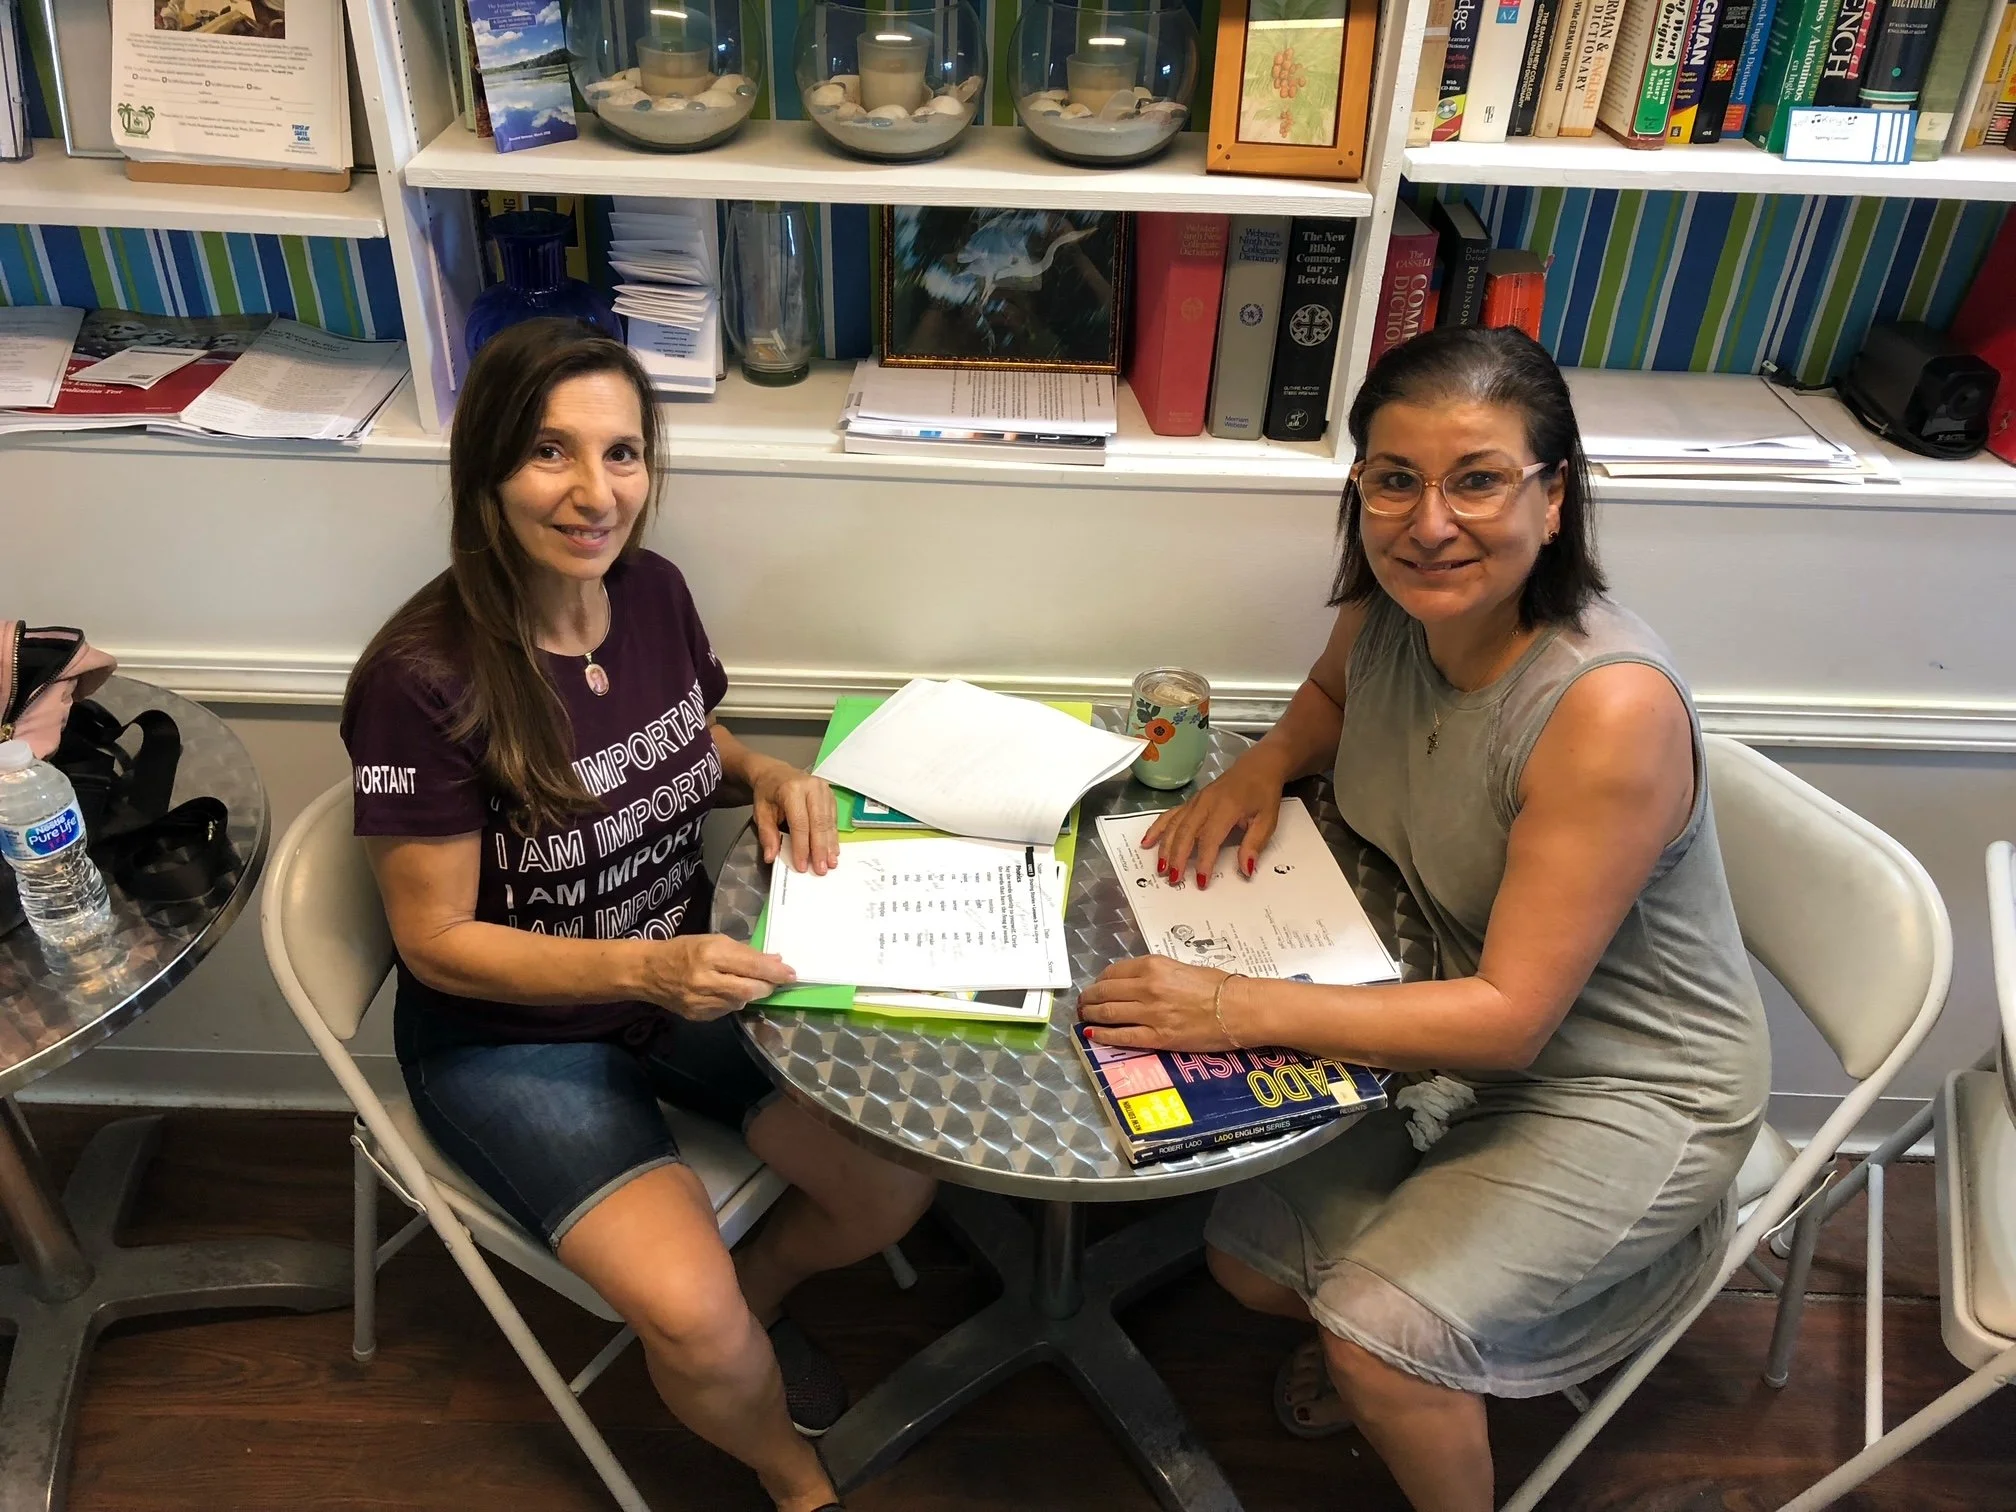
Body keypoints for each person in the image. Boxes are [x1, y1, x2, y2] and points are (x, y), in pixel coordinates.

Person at [1076, 326, 1770, 1512]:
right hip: (1432, 1009)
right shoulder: (1399, 603)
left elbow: (1511, 1024)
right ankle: (1417, 1357)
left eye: (1479, 479)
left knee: (1369, 1324)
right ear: (1360, 489)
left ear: (1555, 499)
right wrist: (1259, 771)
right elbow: (1333, 696)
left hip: (1621, 1083)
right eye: (1394, 479)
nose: (1430, 520)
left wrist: (1228, 1006)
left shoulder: (1604, 711)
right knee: (1241, 1262)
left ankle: (1408, 1375)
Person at [340, 318, 933, 1512]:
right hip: (510, 1039)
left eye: (622, 454)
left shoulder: (650, 594)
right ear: (488, 471)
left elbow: (678, 743)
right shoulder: (420, 681)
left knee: (893, 1186)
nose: (593, 492)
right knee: (696, 1326)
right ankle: (791, 1474)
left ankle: (762, 1292)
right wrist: (648, 972)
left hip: (678, 974)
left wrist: (762, 773)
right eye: (552, 453)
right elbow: (435, 942)